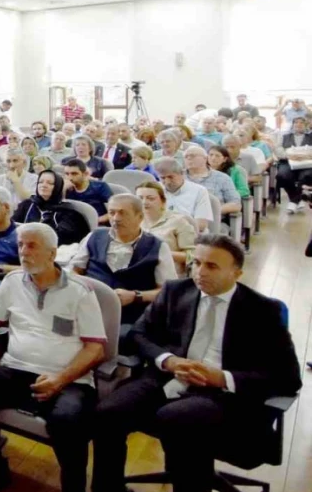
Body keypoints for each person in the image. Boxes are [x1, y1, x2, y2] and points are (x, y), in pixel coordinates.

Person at [91, 235, 302, 492]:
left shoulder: (262, 311)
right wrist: (168, 360)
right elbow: (138, 334)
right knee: (107, 413)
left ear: (237, 273)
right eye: (196, 263)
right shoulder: (175, 291)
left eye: (212, 266)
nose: (200, 272)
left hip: (223, 395)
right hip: (169, 376)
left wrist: (222, 378)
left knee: (177, 420)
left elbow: (288, 377)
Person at [0, 223, 107, 492]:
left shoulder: (80, 291)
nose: (23, 252)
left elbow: (96, 349)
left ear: (52, 253)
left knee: (67, 420)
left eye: (32, 246)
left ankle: (74, 486)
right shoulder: (13, 282)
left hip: (68, 379)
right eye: (20, 245)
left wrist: (60, 380)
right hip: (16, 369)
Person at [70, 194, 177, 336]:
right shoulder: (95, 236)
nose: (115, 218)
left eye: (122, 213)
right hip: (89, 308)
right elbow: (74, 271)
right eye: (111, 213)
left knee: (122, 338)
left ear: (139, 217)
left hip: (131, 315)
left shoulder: (157, 246)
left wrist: (135, 296)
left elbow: (167, 291)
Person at [13, 170, 90, 246]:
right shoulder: (27, 204)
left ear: (57, 186)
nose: (44, 185)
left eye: (50, 183)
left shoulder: (67, 211)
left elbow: (63, 237)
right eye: (40, 182)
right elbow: (12, 225)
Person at [137, 181, 197, 276]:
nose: (144, 202)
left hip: (168, 275)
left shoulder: (178, 221)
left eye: (150, 198)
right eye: (140, 198)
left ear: (163, 201)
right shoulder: (133, 221)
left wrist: (160, 253)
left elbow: (192, 256)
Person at [154, 156, 214, 233]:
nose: (167, 182)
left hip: (190, 233)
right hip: (161, 233)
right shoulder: (155, 190)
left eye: (171, 177)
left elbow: (201, 224)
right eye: (162, 178)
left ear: (182, 173)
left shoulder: (199, 191)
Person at [183, 145, 241, 216]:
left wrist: (212, 211)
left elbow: (236, 204)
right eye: (186, 156)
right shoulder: (178, 177)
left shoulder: (222, 178)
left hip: (212, 222)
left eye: (192, 156)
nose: (189, 158)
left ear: (205, 158)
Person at [62, 158, 115, 224]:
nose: (70, 178)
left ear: (84, 174)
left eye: (74, 174)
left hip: (97, 223)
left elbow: (114, 210)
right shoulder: (66, 189)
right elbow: (61, 211)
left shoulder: (100, 187)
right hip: (73, 225)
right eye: (67, 174)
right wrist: (63, 190)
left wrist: (95, 220)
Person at [277, 116, 312, 213]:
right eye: (296, 122)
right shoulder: (284, 136)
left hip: (307, 163)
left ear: (306, 125)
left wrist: (306, 156)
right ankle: (297, 198)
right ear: (292, 125)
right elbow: (278, 150)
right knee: (282, 175)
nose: (298, 125)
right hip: (288, 161)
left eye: (301, 123)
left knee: (307, 175)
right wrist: (289, 156)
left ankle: (293, 202)